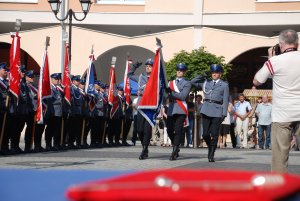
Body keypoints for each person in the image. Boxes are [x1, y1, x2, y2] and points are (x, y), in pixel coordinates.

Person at [253, 29, 300, 173]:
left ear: (280, 44)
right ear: (297, 43)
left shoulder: (274, 61)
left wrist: (270, 59)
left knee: (280, 156)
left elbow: (257, 80)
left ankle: (280, 187)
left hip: (282, 114)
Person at [191, 64, 229, 162]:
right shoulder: (206, 82)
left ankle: (211, 153)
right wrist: (203, 75)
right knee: (205, 134)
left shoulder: (224, 85)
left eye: (216, 72)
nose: (214, 74)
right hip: (206, 109)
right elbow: (193, 82)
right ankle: (211, 147)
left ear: (220, 74)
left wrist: (224, 114)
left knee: (215, 133)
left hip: (217, 111)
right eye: (212, 72)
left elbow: (225, 100)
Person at [127, 58, 153, 160]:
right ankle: (144, 147)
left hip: (150, 106)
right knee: (139, 130)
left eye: (150, 66)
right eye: (147, 66)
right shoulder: (141, 77)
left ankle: (144, 149)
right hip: (141, 106)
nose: (147, 67)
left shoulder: (156, 79)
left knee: (147, 129)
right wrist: (135, 65)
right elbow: (129, 75)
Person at [167, 63, 191, 161]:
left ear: (184, 72)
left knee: (178, 130)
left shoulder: (187, 83)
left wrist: (171, 92)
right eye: (178, 70)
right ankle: (176, 145)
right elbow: (166, 96)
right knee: (169, 130)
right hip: (171, 108)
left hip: (180, 109)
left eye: (181, 70)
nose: (179, 72)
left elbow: (183, 96)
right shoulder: (171, 82)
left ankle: (175, 150)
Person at [45, 73, 63, 151]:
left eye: (58, 79)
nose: (58, 81)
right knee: (50, 129)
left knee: (57, 129)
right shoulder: (50, 88)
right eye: (56, 79)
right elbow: (50, 100)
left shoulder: (57, 89)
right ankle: (48, 144)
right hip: (52, 111)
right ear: (51, 79)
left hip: (58, 112)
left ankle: (56, 144)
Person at [0, 62, 10, 155]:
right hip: (1, 108)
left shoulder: (7, 82)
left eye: (6, 70)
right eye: (4, 70)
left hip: (7, 110)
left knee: (6, 129)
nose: (6, 71)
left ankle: (4, 146)